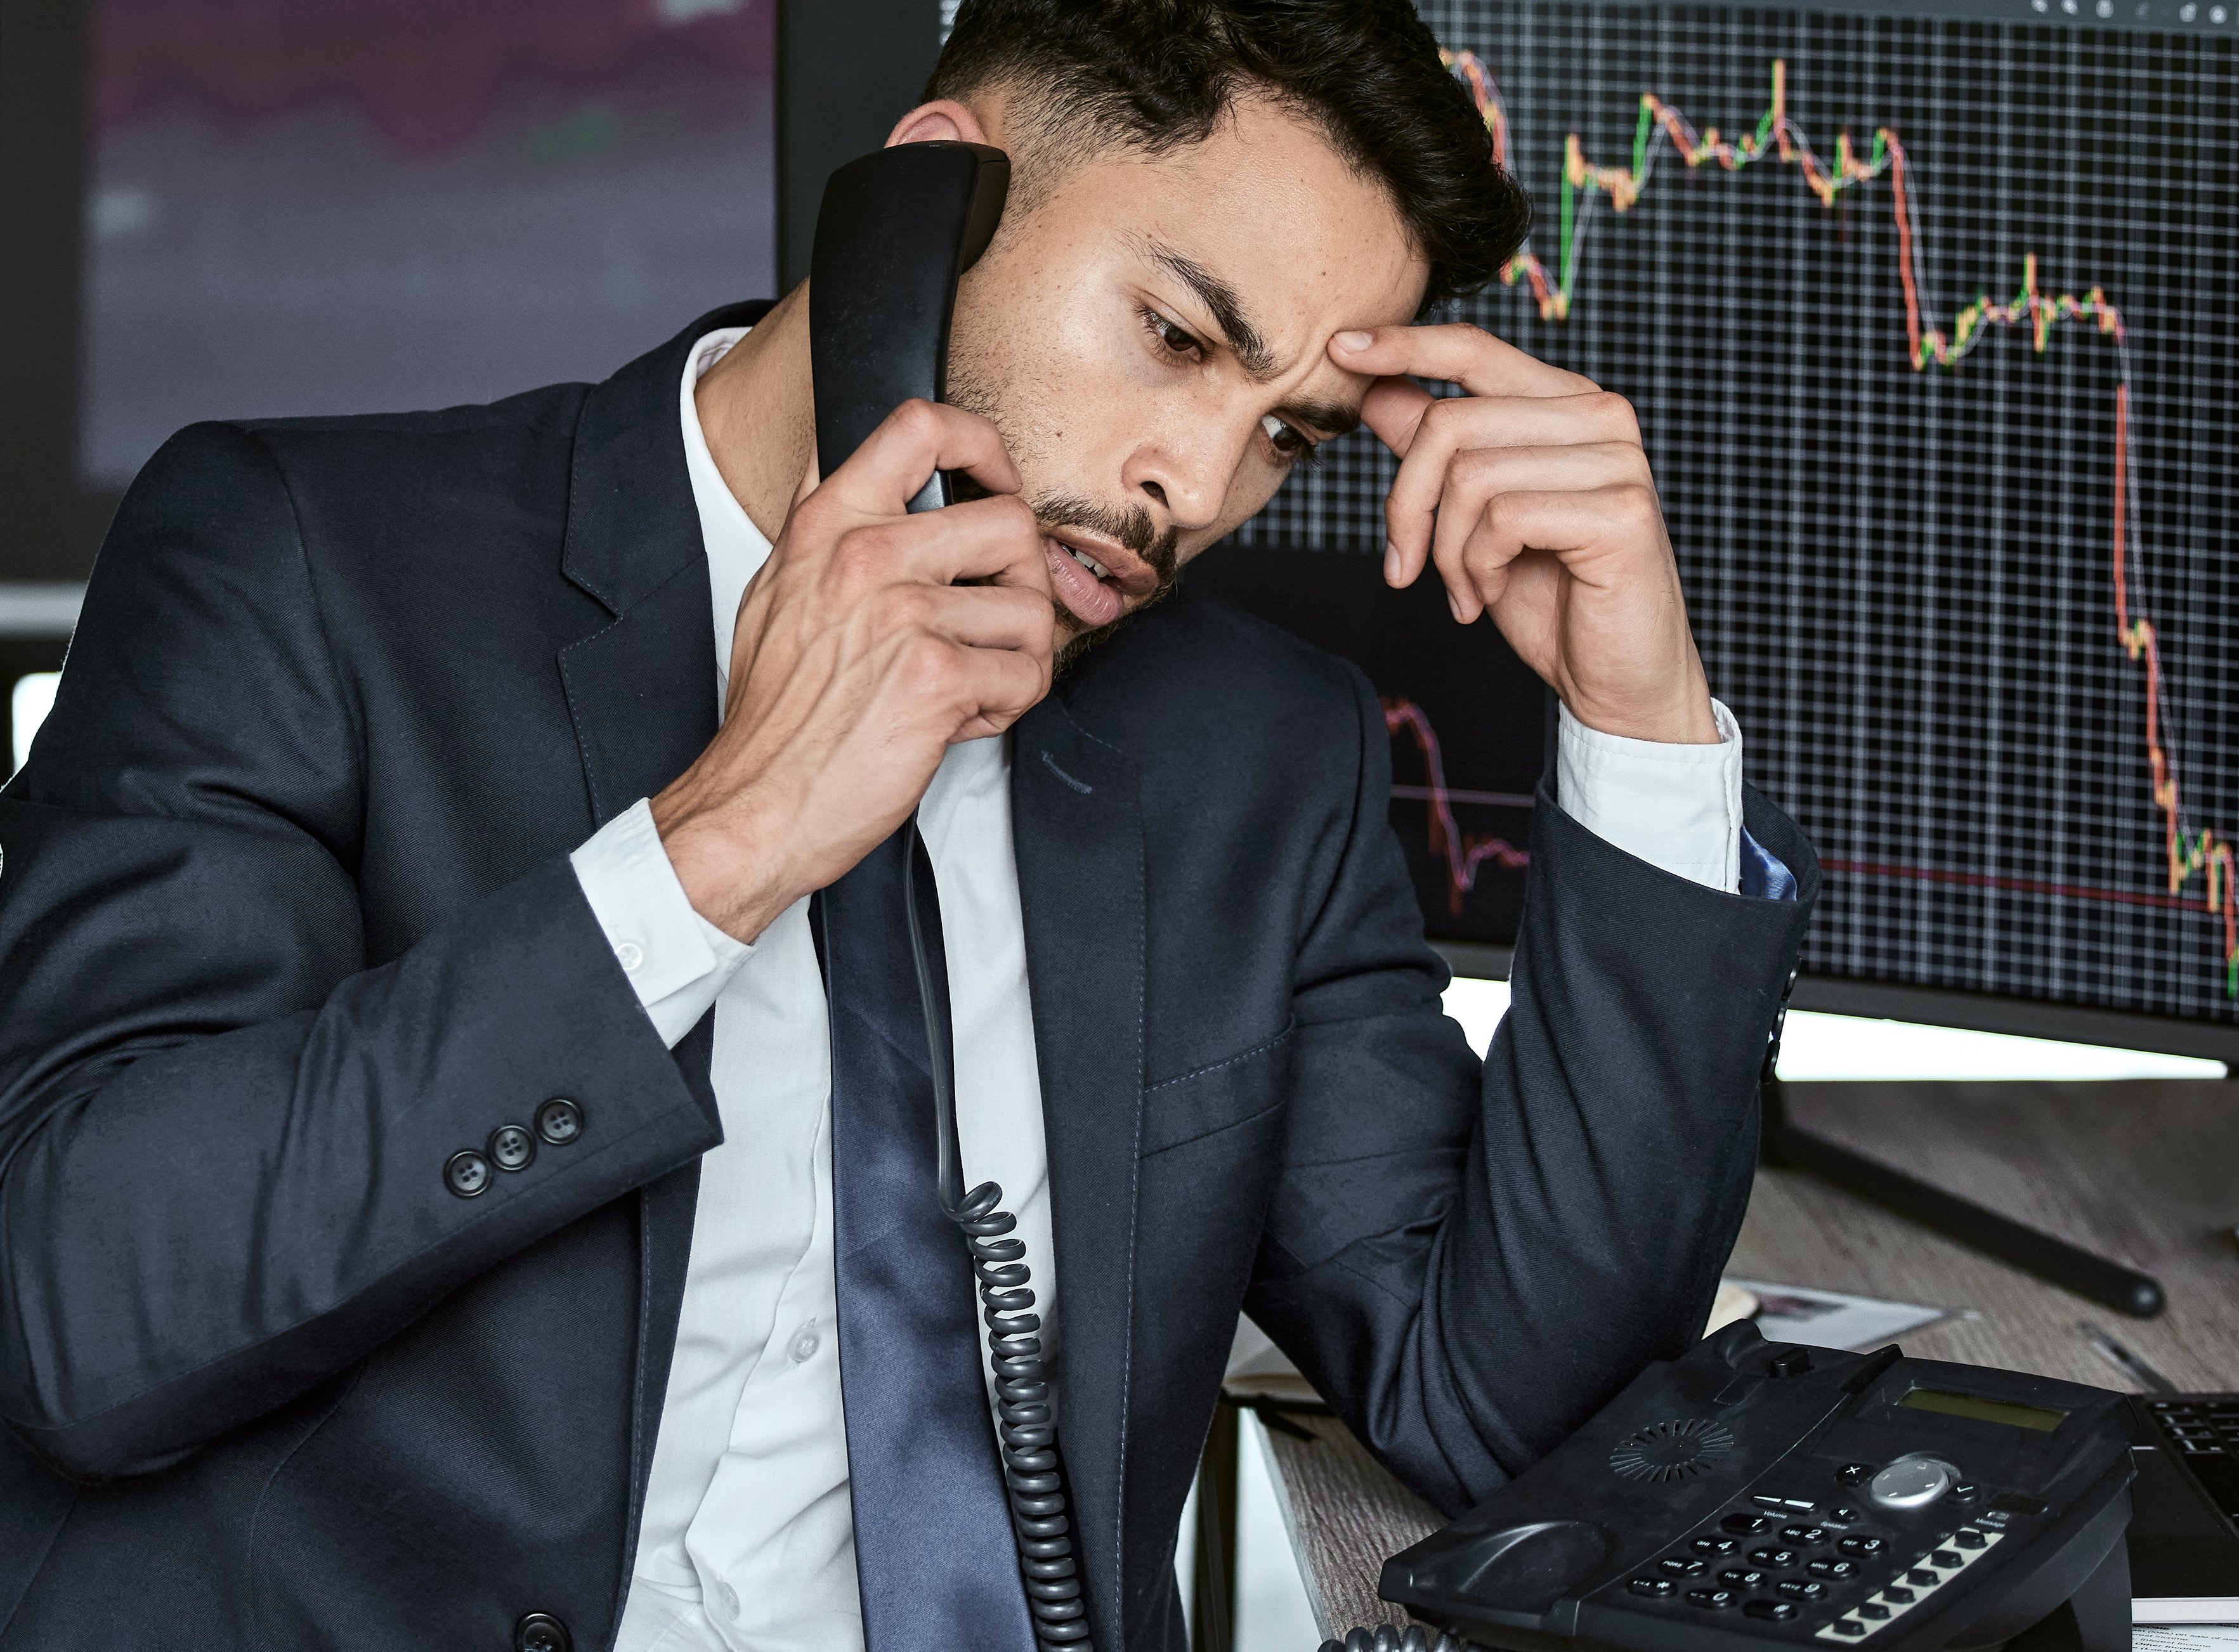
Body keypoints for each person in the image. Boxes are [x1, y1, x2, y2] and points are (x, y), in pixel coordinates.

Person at [0, 1, 1816, 1647]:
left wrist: (1637, 719)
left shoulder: (1257, 760)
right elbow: (82, 1319)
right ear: (925, 198)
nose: (1198, 485)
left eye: (1293, 437)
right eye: (1176, 335)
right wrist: (726, 839)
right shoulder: (308, 561)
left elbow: (1508, 1407)